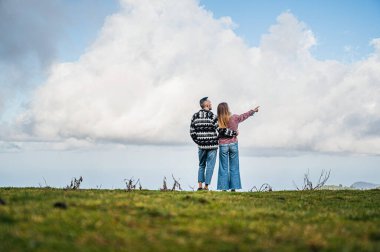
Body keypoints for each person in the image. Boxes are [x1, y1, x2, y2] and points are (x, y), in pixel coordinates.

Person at [190, 97, 238, 191]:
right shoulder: (212, 116)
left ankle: (200, 186)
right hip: (212, 146)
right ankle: (206, 187)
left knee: (201, 165)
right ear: (206, 105)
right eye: (210, 103)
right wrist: (234, 133)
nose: (211, 105)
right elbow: (221, 131)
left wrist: (199, 142)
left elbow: (192, 132)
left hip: (201, 146)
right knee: (210, 166)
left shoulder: (194, 116)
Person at [217, 102, 259, 191]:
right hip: (233, 144)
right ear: (227, 108)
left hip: (223, 145)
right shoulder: (234, 117)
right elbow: (244, 116)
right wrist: (253, 111)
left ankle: (224, 189)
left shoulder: (218, 120)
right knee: (234, 167)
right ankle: (233, 188)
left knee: (223, 168)